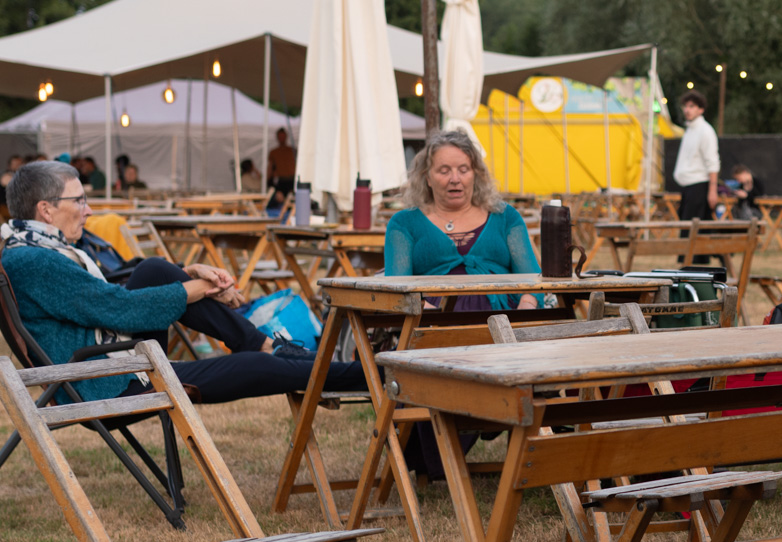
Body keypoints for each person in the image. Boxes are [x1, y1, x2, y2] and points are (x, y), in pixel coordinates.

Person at [1, 161, 366, 404]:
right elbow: (120, 309)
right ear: (46, 210)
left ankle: (264, 344)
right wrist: (200, 288)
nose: (89, 209)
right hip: (106, 379)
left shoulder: (31, 251)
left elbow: (105, 297)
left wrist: (188, 273)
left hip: (107, 359)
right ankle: (363, 375)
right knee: (260, 369)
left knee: (155, 269)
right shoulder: (35, 261)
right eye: (79, 200)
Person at [384, 129, 540, 313]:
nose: (455, 179)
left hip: (505, 323)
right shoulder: (403, 224)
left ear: (475, 174)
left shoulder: (505, 216)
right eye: (444, 171)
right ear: (427, 178)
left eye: (463, 170)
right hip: (430, 324)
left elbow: (533, 281)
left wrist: (525, 311)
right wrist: (433, 318)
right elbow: (397, 293)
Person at [673, 90, 719, 221]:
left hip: (699, 187)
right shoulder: (689, 130)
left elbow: (712, 162)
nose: (687, 110)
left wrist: (712, 190)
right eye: (685, 106)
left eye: (691, 106)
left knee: (692, 229)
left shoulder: (705, 131)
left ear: (701, 110)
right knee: (688, 226)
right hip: (687, 187)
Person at [267, 128, 297, 199]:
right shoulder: (274, 152)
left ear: (286, 137)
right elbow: (270, 167)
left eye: (283, 136)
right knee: (279, 199)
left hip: (292, 179)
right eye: (280, 137)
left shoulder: (293, 150)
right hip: (281, 181)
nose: (282, 139)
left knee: (292, 199)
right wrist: (268, 181)